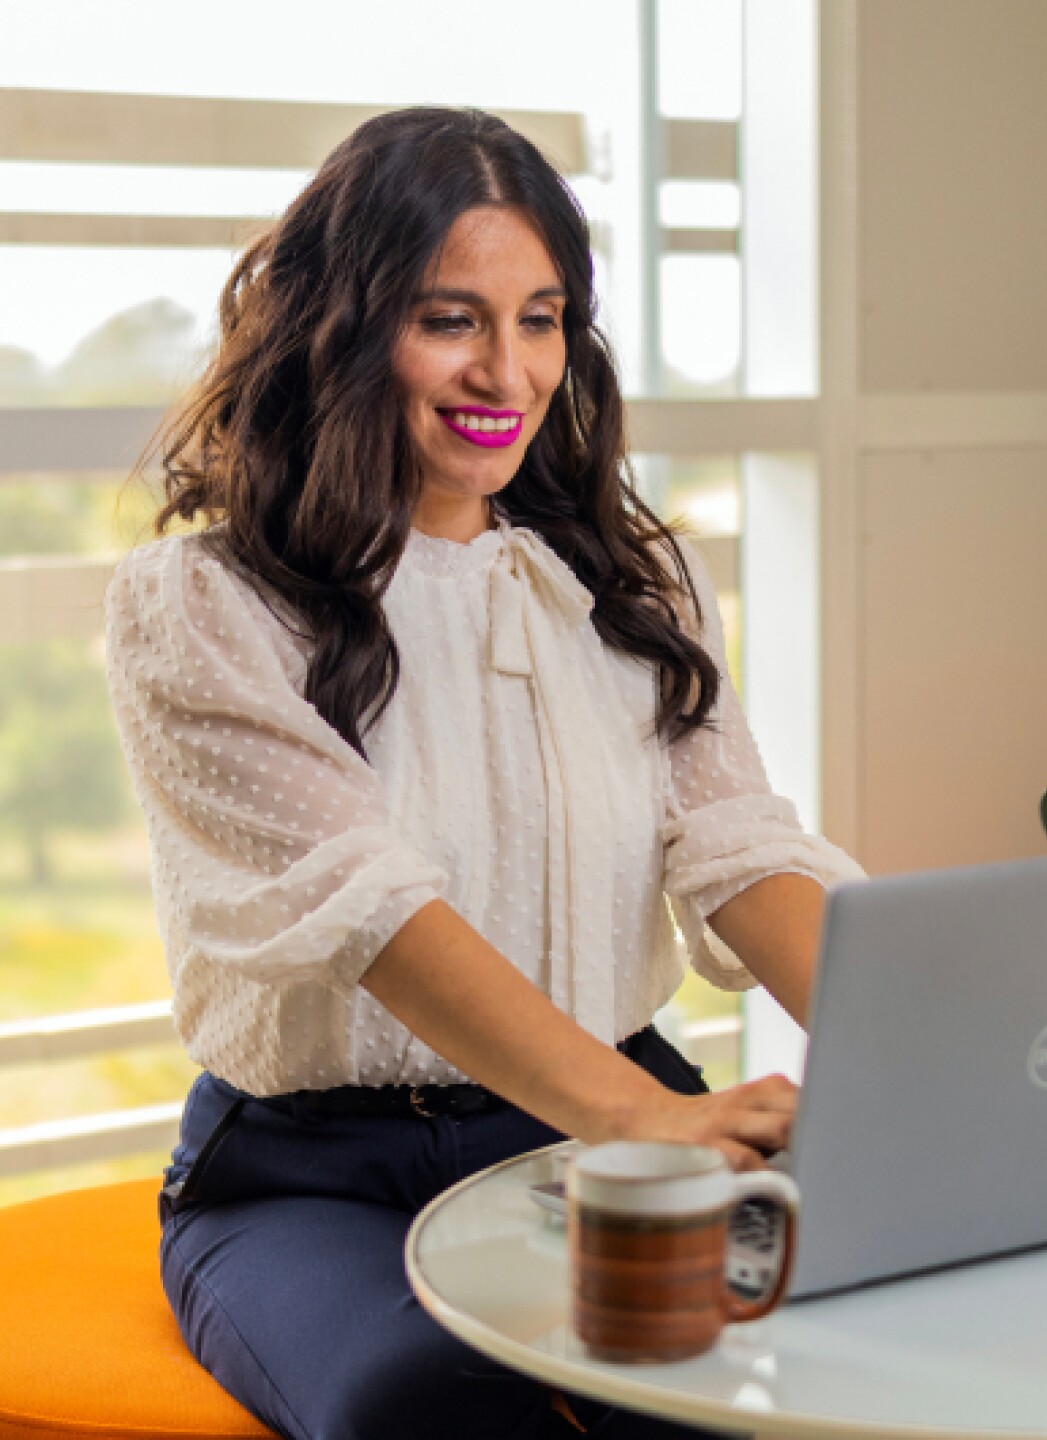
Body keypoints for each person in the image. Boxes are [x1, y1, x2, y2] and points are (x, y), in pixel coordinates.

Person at [102, 106, 864, 1440]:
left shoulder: (638, 587)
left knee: (790, 1380)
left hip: (593, 1133)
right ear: (344, 326)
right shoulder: (203, 606)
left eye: (542, 317)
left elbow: (741, 845)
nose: (505, 370)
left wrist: (930, 1050)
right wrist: (641, 1118)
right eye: (449, 318)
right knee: (429, 1405)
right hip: (311, 1178)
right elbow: (379, 917)